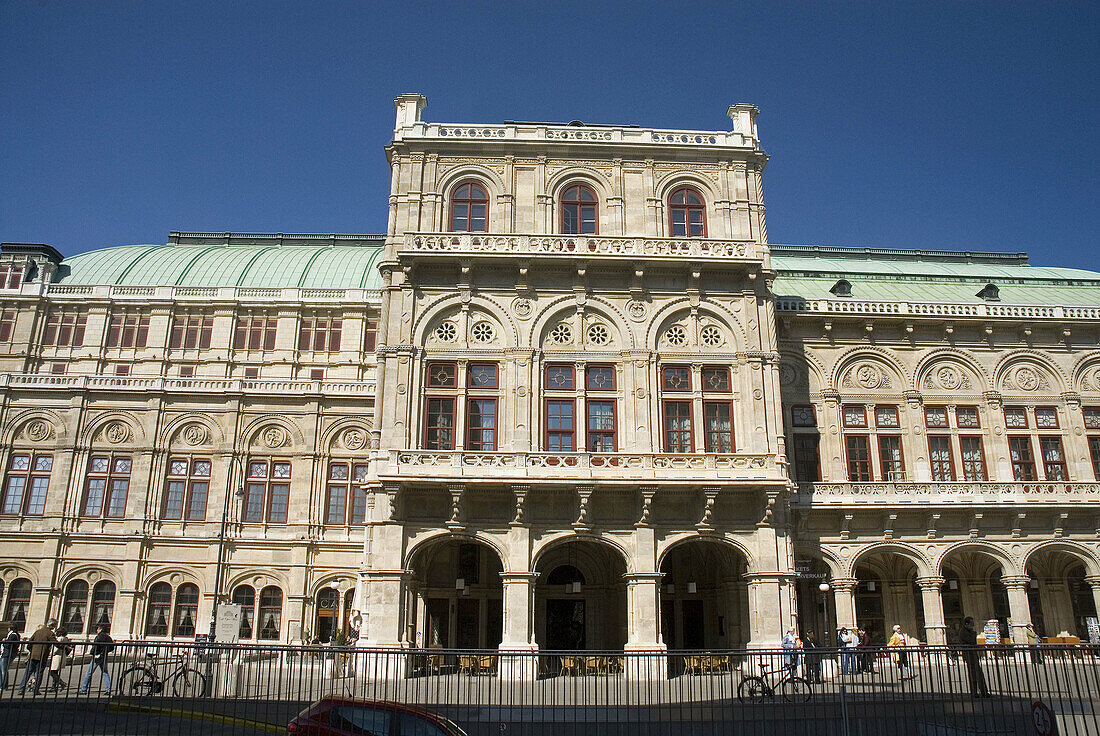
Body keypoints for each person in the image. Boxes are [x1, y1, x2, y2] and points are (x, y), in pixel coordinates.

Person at [18, 620, 56, 695]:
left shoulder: (37, 632)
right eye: (54, 625)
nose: (54, 627)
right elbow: (55, 643)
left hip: (33, 655)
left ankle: (21, 689)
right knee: (39, 673)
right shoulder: (50, 633)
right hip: (42, 656)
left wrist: (32, 650)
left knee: (27, 672)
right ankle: (35, 690)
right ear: (51, 625)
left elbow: (29, 643)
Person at [958, 617, 990, 697]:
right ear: (966, 624)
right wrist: (974, 633)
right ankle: (980, 692)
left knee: (975, 674)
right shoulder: (964, 632)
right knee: (976, 674)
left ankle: (979, 692)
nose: (973, 626)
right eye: (971, 624)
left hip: (971, 654)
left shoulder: (967, 631)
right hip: (969, 655)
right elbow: (972, 642)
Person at [79, 625, 114, 696]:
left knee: (89, 672)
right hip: (104, 656)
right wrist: (105, 651)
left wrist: (92, 652)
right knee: (105, 672)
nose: (97, 631)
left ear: (100, 629)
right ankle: (108, 689)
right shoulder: (108, 637)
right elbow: (112, 647)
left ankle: (84, 689)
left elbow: (95, 646)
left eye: (97, 629)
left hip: (97, 656)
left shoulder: (99, 637)